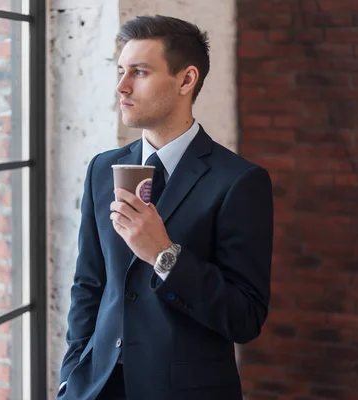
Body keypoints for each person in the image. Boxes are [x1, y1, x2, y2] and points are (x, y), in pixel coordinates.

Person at [57, 14, 274, 400]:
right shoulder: (102, 168)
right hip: (96, 386)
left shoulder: (239, 181)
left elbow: (245, 317)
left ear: (186, 80)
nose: (121, 87)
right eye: (121, 71)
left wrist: (164, 255)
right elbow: (89, 285)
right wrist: (71, 375)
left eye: (139, 72)